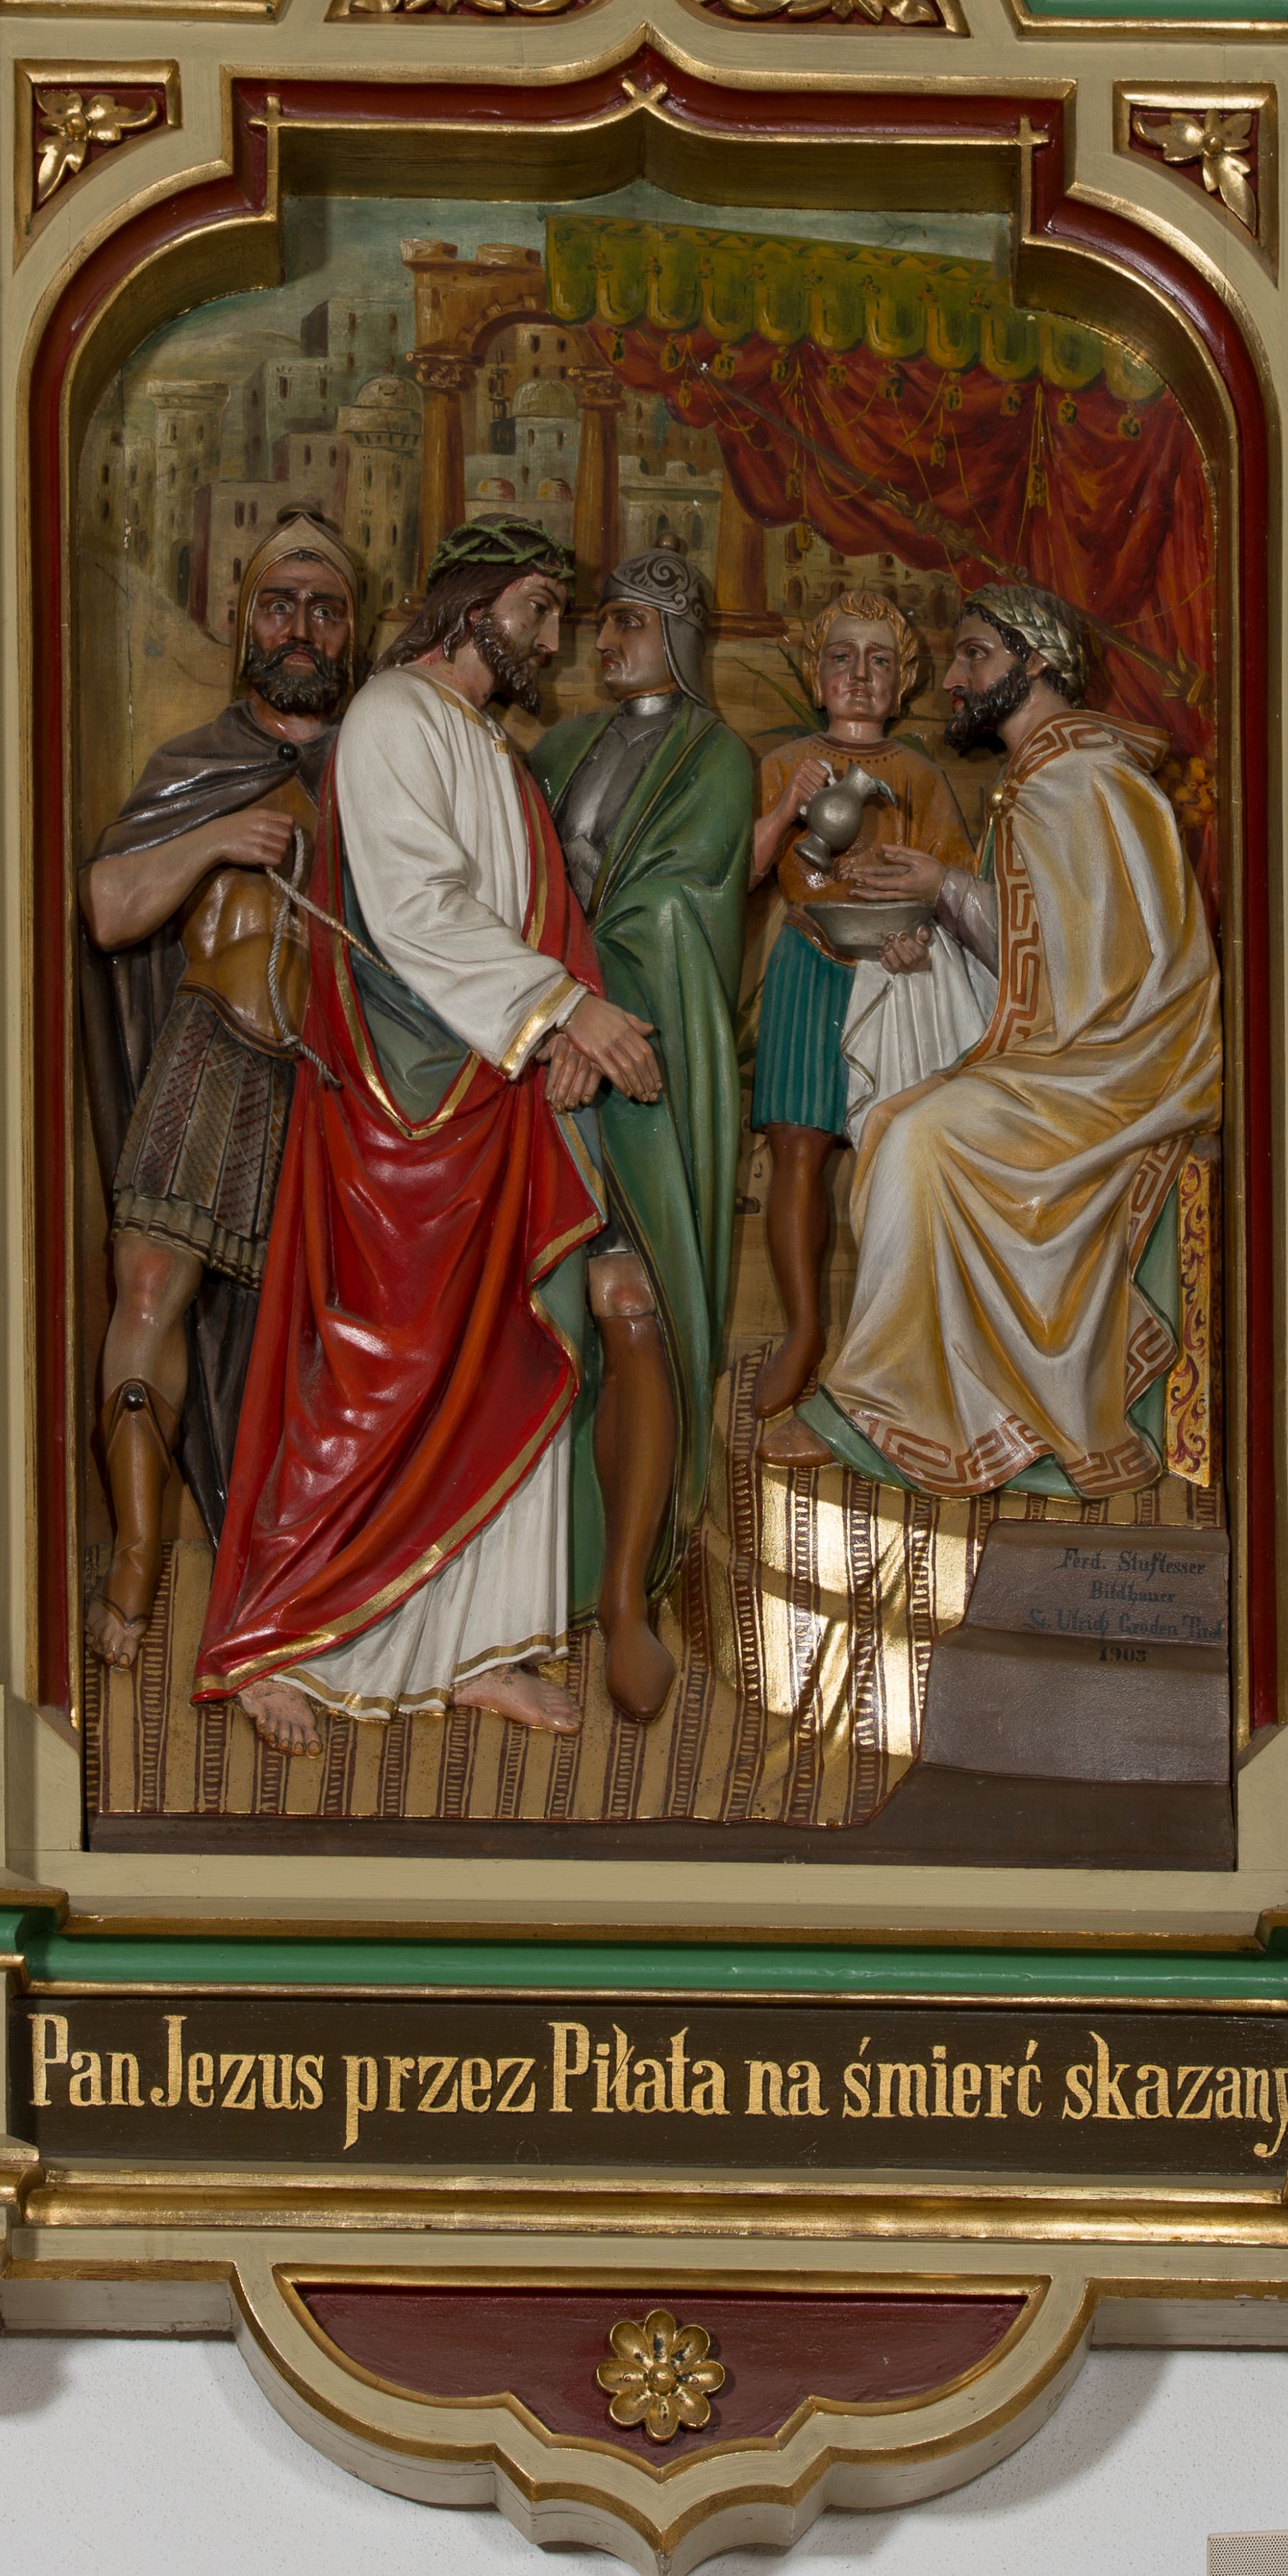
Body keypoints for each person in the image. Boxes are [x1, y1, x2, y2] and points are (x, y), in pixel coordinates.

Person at [192, 517, 662, 1751]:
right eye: (537, 611)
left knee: (503, 1360)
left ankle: (477, 1646)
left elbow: (539, 914)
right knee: (377, 1373)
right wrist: (558, 1009)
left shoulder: (486, 743)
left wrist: (562, 1021)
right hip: (407, 1107)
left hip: (495, 1091)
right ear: (473, 606)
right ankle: (282, 1632)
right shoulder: (396, 714)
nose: (551, 639)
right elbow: (414, 909)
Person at [764, 576, 1222, 1499]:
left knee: (919, 1140)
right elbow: (1040, 953)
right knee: (893, 1124)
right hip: (1076, 1052)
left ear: (1038, 662)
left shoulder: (1084, 781)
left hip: (1122, 1065)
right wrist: (937, 904)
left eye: (975, 656)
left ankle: (879, 1414)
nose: (955, 681)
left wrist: (941, 887)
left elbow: (1089, 962)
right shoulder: (1044, 780)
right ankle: (950, 1399)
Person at [77, 509, 360, 1666]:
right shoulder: (198, 764)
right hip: (212, 1049)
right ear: (246, 622)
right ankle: (137, 1555)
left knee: (319, 1342)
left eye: (326, 609)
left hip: (334, 1082)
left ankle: (287, 1598)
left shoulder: (384, 769)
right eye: (279, 604)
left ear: (355, 631)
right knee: (149, 1283)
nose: (301, 628)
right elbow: (109, 907)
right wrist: (214, 840)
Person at [529, 550, 754, 1716]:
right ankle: (500, 1595)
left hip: (631, 1066)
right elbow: (506, 887)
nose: (604, 643)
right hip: (525, 1056)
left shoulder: (716, 757)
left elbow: (675, 908)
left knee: (629, 1304)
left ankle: (625, 1598)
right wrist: (549, 1007)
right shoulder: (557, 748)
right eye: (600, 622)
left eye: (626, 621)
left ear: (678, 633)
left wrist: (597, 1012)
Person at [745, 588, 979, 1416]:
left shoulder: (917, 775)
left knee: (894, 1145)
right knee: (797, 1144)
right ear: (817, 674)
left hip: (897, 976)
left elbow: (955, 885)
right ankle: (804, 1329)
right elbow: (751, 872)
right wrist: (789, 806)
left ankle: (892, 1331)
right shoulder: (785, 764)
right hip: (811, 963)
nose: (859, 674)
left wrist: (923, 936)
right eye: (842, 657)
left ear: (903, 681)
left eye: (880, 661)